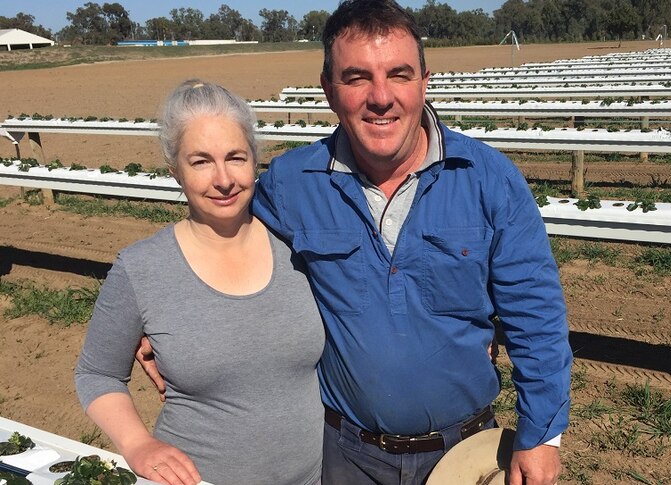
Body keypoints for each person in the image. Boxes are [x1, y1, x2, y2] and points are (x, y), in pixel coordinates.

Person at [253, 1, 573, 484]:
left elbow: (536, 316)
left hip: (463, 454)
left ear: (425, 82)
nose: (381, 97)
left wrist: (541, 437)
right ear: (329, 91)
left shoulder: (488, 179)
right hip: (342, 452)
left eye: (399, 75)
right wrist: (172, 316)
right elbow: (223, 247)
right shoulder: (292, 183)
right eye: (357, 77)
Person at [75, 80, 325, 485]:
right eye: (201, 161)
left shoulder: (299, 245)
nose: (223, 179)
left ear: (255, 162)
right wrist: (137, 443)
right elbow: (96, 373)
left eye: (236, 157)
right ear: (175, 171)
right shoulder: (142, 268)